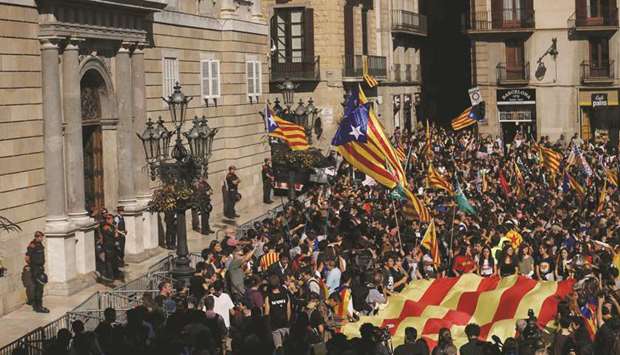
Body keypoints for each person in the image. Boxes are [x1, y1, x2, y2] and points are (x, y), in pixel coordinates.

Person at [264, 274, 291, 350]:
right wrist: (287, 322)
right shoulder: (286, 295)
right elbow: (288, 311)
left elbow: (266, 314)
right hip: (285, 325)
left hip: (275, 327)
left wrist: (268, 329)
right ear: (279, 284)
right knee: (288, 349)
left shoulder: (268, 298)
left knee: (279, 349)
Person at [25, 231, 49, 313]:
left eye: (42, 237)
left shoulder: (39, 244)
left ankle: (36, 304)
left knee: (38, 288)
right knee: (39, 288)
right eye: (41, 237)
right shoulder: (32, 245)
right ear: (37, 237)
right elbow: (27, 258)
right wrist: (32, 266)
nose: (42, 238)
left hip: (40, 268)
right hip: (36, 269)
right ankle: (38, 307)